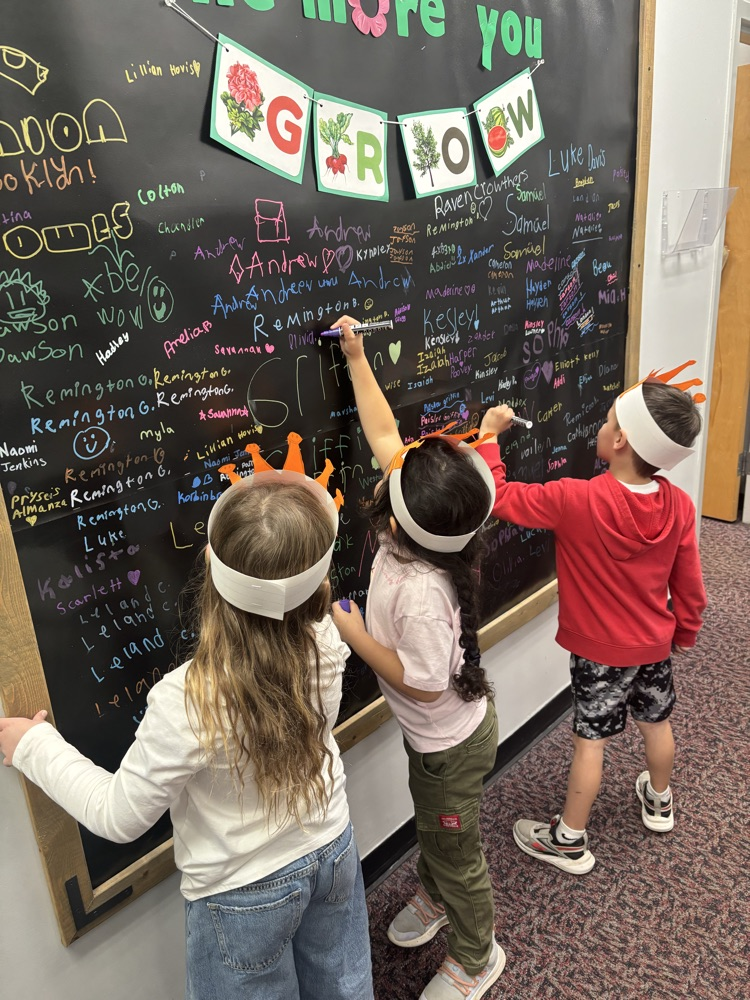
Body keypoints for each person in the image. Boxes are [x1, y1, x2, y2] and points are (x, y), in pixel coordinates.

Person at [0, 435, 373, 1000]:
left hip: (242, 894)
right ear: (319, 585)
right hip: (333, 848)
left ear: (207, 564)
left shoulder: (187, 699)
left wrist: (32, 745)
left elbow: (118, 815)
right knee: (343, 989)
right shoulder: (326, 638)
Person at [329, 316, 505, 1000]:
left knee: (459, 854)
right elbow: (380, 433)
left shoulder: (422, 591)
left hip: (448, 741)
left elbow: (426, 684)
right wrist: (355, 354)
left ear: (396, 521)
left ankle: (477, 951)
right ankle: (433, 895)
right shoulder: (434, 531)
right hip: (439, 739)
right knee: (438, 829)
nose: (388, 459)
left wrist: (351, 632)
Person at [475, 363, 707, 874]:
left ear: (621, 440)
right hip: (654, 644)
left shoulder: (574, 499)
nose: (598, 429)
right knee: (657, 722)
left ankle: (570, 839)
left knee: (591, 740)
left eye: (605, 424)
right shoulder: (681, 507)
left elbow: (503, 499)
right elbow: (689, 585)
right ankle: (660, 800)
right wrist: (685, 631)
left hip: (599, 653)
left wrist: (489, 438)